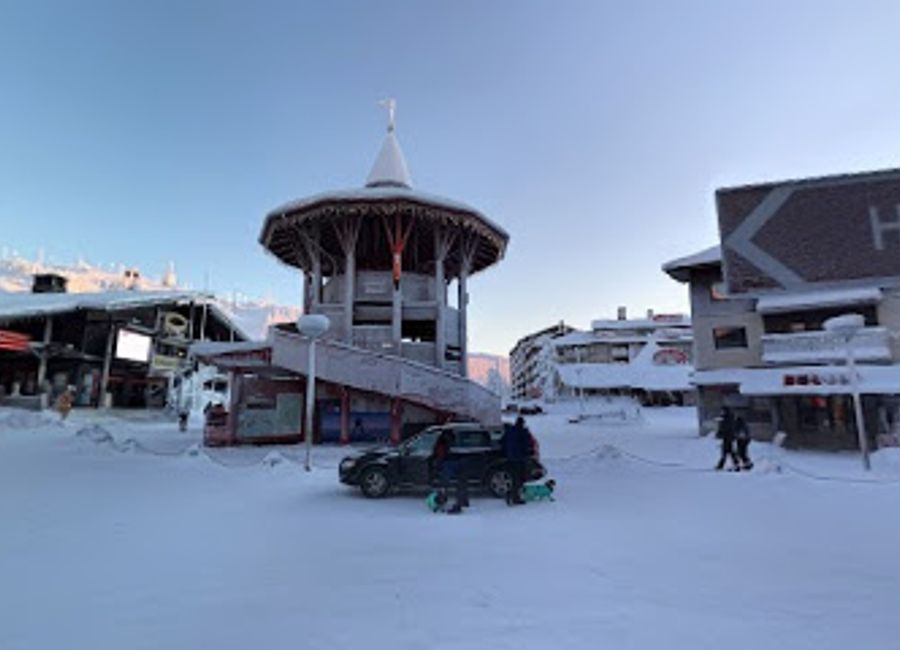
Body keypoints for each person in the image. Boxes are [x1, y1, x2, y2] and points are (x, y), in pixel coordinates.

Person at [501, 417, 530, 505]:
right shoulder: (523, 432)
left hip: (510, 458)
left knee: (513, 478)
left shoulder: (510, 431)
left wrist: (506, 452)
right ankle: (515, 498)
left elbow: (502, 442)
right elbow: (526, 445)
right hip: (519, 459)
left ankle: (510, 494)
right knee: (520, 479)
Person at [715, 406, 741, 471]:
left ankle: (722, 465)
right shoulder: (727, 418)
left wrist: (720, 433)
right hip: (728, 437)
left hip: (728, 437)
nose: (721, 412)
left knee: (728, 452)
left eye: (723, 411)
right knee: (729, 452)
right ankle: (734, 464)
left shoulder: (728, 419)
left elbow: (726, 428)